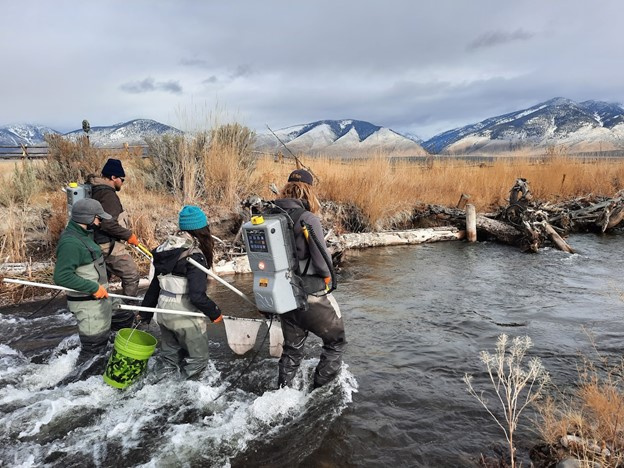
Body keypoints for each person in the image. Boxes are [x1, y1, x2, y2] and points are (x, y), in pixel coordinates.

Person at [272, 169, 346, 389]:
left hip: (283, 296)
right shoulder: (307, 218)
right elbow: (322, 261)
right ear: (308, 191)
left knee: (292, 349)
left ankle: (282, 393)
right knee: (336, 342)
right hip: (310, 293)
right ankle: (319, 393)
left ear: (286, 189)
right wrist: (328, 278)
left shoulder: (272, 216)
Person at [139, 205, 223, 379]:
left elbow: (155, 286)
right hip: (184, 314)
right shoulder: (194, 256)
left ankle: (162, 387)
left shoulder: (164, 249)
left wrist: (145, 314)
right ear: (202, 229)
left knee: (169, 358)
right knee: (197, 360)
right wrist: (214, 312)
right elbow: (197, 296)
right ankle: (190, 397)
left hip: (164, 312)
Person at [53, 198, 115, 361]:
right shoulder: (71, 243)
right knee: (92, 353)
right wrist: (93, 287)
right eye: (98, 217)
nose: (100, 221)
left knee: (121, 318)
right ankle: (75, 385)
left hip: (97, 302)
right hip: (88, 306)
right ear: (88, 219)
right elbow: (62, 276)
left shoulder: (83, 235)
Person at [88, 158, 141, 330]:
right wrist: (129, 235)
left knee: (104, 280)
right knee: (131, 275)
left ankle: (101, 315)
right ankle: (127, 314)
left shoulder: (94, 189)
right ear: (113, 177)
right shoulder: (108, 195)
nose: (122, 183)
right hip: (108, 246)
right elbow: (109, 224)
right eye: (121, 179)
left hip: (97, 244)